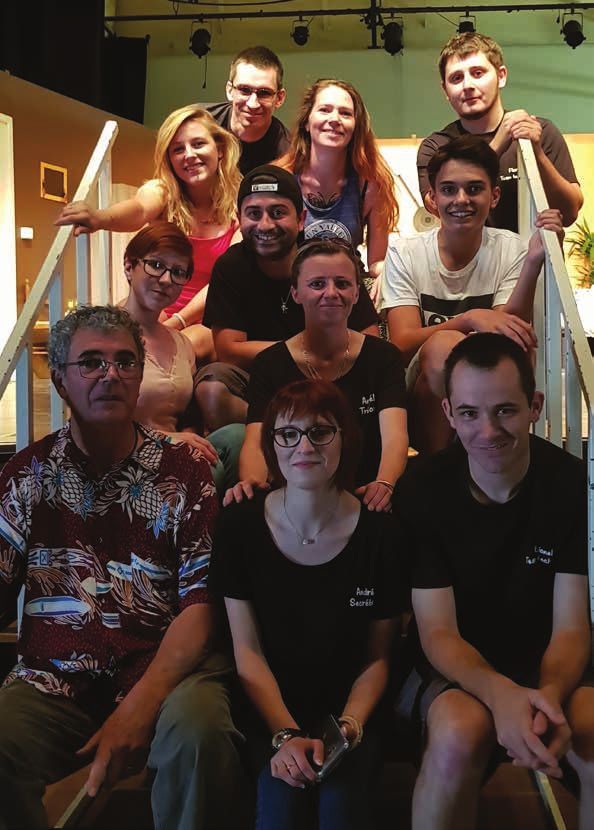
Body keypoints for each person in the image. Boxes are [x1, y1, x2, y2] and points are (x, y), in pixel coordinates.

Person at [0, 306, 248, 830]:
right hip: (54, 679)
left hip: (166, 673)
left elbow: (201, 605)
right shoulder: (26, 475)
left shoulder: (185, 472)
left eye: (125, 362)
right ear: (61, 381)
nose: (110, 374)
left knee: (201, 733)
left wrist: (139, 705)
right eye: (91, 362)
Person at [394, 332, 594, 829]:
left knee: (592, 727)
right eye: (469, 413)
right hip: (455, 663)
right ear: (447, 412)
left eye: (505, 411)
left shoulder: (572, 484)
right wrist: (502, 695)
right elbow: (438, 632)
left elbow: (572, 627)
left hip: (548, 658)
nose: (487, 431)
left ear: (534, 407)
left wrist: (547, 697)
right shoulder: (422, 488)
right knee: (460, 731)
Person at [209, 379, 403, 830]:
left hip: (353, 715)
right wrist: (286, 734)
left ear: (345, 438)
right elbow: (247, 652)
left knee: (341, 809)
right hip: (268, 713)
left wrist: (351, 725)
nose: (304, 446)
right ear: (271, 444)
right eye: (288, 433)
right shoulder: (239, 525)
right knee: (280, 809)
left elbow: (378, 657)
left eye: (320, 431)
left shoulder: (382, 533)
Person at [381, 134, 563, 454]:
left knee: (509, 352)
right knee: (444, 345)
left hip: (490, 388)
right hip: (423, 401)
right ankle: (445, 464)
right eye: (449, 189)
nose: (461, 199)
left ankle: (482, 457)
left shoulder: (511, 249)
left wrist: (534, 262)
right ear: (432, 198)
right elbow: (402, 343)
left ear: (494, 196)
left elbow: (509, 337)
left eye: (474, 189)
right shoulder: (405, 252)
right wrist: (468, 319)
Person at [228, 239, 408, 512]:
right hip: (293, 500)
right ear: (296, 293)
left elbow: (395, 435)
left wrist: (385, 483)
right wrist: (253, 483)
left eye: (342, 283)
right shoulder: (270, 363)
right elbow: (257, 440)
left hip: (366, 497)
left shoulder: (384, 357)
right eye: (317, 284)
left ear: (357, 293)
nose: (331, 292)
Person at [198, 164, 379, 433]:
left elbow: (371, 341)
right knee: (211, 387)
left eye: (278, 213)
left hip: (331, 375)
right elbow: (230, 352)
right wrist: (305, 351)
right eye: (254, 214)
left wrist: (325, 358)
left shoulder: (329, 259)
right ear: (239, 218)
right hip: (262, 381)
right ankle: (283, 438)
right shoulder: (230, 266)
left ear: (301, 219)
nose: (265, 225)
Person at [55, 105, 242, 358]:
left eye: (198, 144)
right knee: (107, 341)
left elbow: (225, 281)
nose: (189, 155)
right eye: (178, 149)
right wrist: (99, 218)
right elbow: (139, 208)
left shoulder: (241, 206)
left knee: (172, 348)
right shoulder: (162, 192)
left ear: (219, 149)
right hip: (157, 304)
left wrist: (176, 321)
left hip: (208, 318)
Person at [122, 220, 244, 494]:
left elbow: (186, 417)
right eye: (156, 265)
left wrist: (189, 438)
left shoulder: (181, 343)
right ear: (129, 266)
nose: (166, 279)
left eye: (178, 272)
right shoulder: (104, 334)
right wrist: (167, 439)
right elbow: (92, 422)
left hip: (173, 451)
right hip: (124, 454)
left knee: (238, 437)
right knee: (196, 467)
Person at [416, 32, 583, 232]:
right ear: (445, 90)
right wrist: (497, 145)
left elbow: (569, 213)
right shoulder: (436, 147)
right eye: (456, 78)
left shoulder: (540, 132)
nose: (467, 85)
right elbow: (435, 207)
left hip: (532, 252)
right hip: (471, 254)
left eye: (478, 73)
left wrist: (537, 153)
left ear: (501, 76)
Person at [278, 78, 398, 299]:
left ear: (355, 127)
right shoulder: (282, 179)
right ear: (307, 122)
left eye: (345, 113)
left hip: (347, 288)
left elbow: (376, 263)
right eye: (324, 110)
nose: (334, 119)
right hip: (293, 290)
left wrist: (388, 272)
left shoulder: (370, 184)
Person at [205, 46, 290, 175]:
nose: (252, 104)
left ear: (279, 98)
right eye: (244, 90)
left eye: (264, 93)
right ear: (230, 90)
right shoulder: (196, 123)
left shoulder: (288, 153)